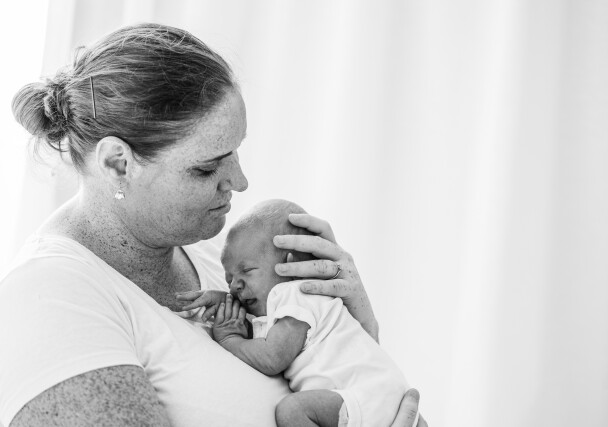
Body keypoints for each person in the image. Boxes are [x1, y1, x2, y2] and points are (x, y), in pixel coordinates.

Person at [0, 23, 426, 427]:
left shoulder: (220, 261)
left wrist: (353, 337)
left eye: (236, 152)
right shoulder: (50, 301)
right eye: (206, 168)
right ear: (118, 163)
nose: (240, 182)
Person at [177, 199, 413, 427]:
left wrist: (230, 339)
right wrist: (224, 302)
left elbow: (272, 357)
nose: (235, 286)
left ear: (290, 264)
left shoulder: (297, 294)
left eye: (246, 271)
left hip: (370, 395)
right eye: (229, 279)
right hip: (376, 395)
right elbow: (259, 331)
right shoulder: (282, 307)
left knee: (291, 412)